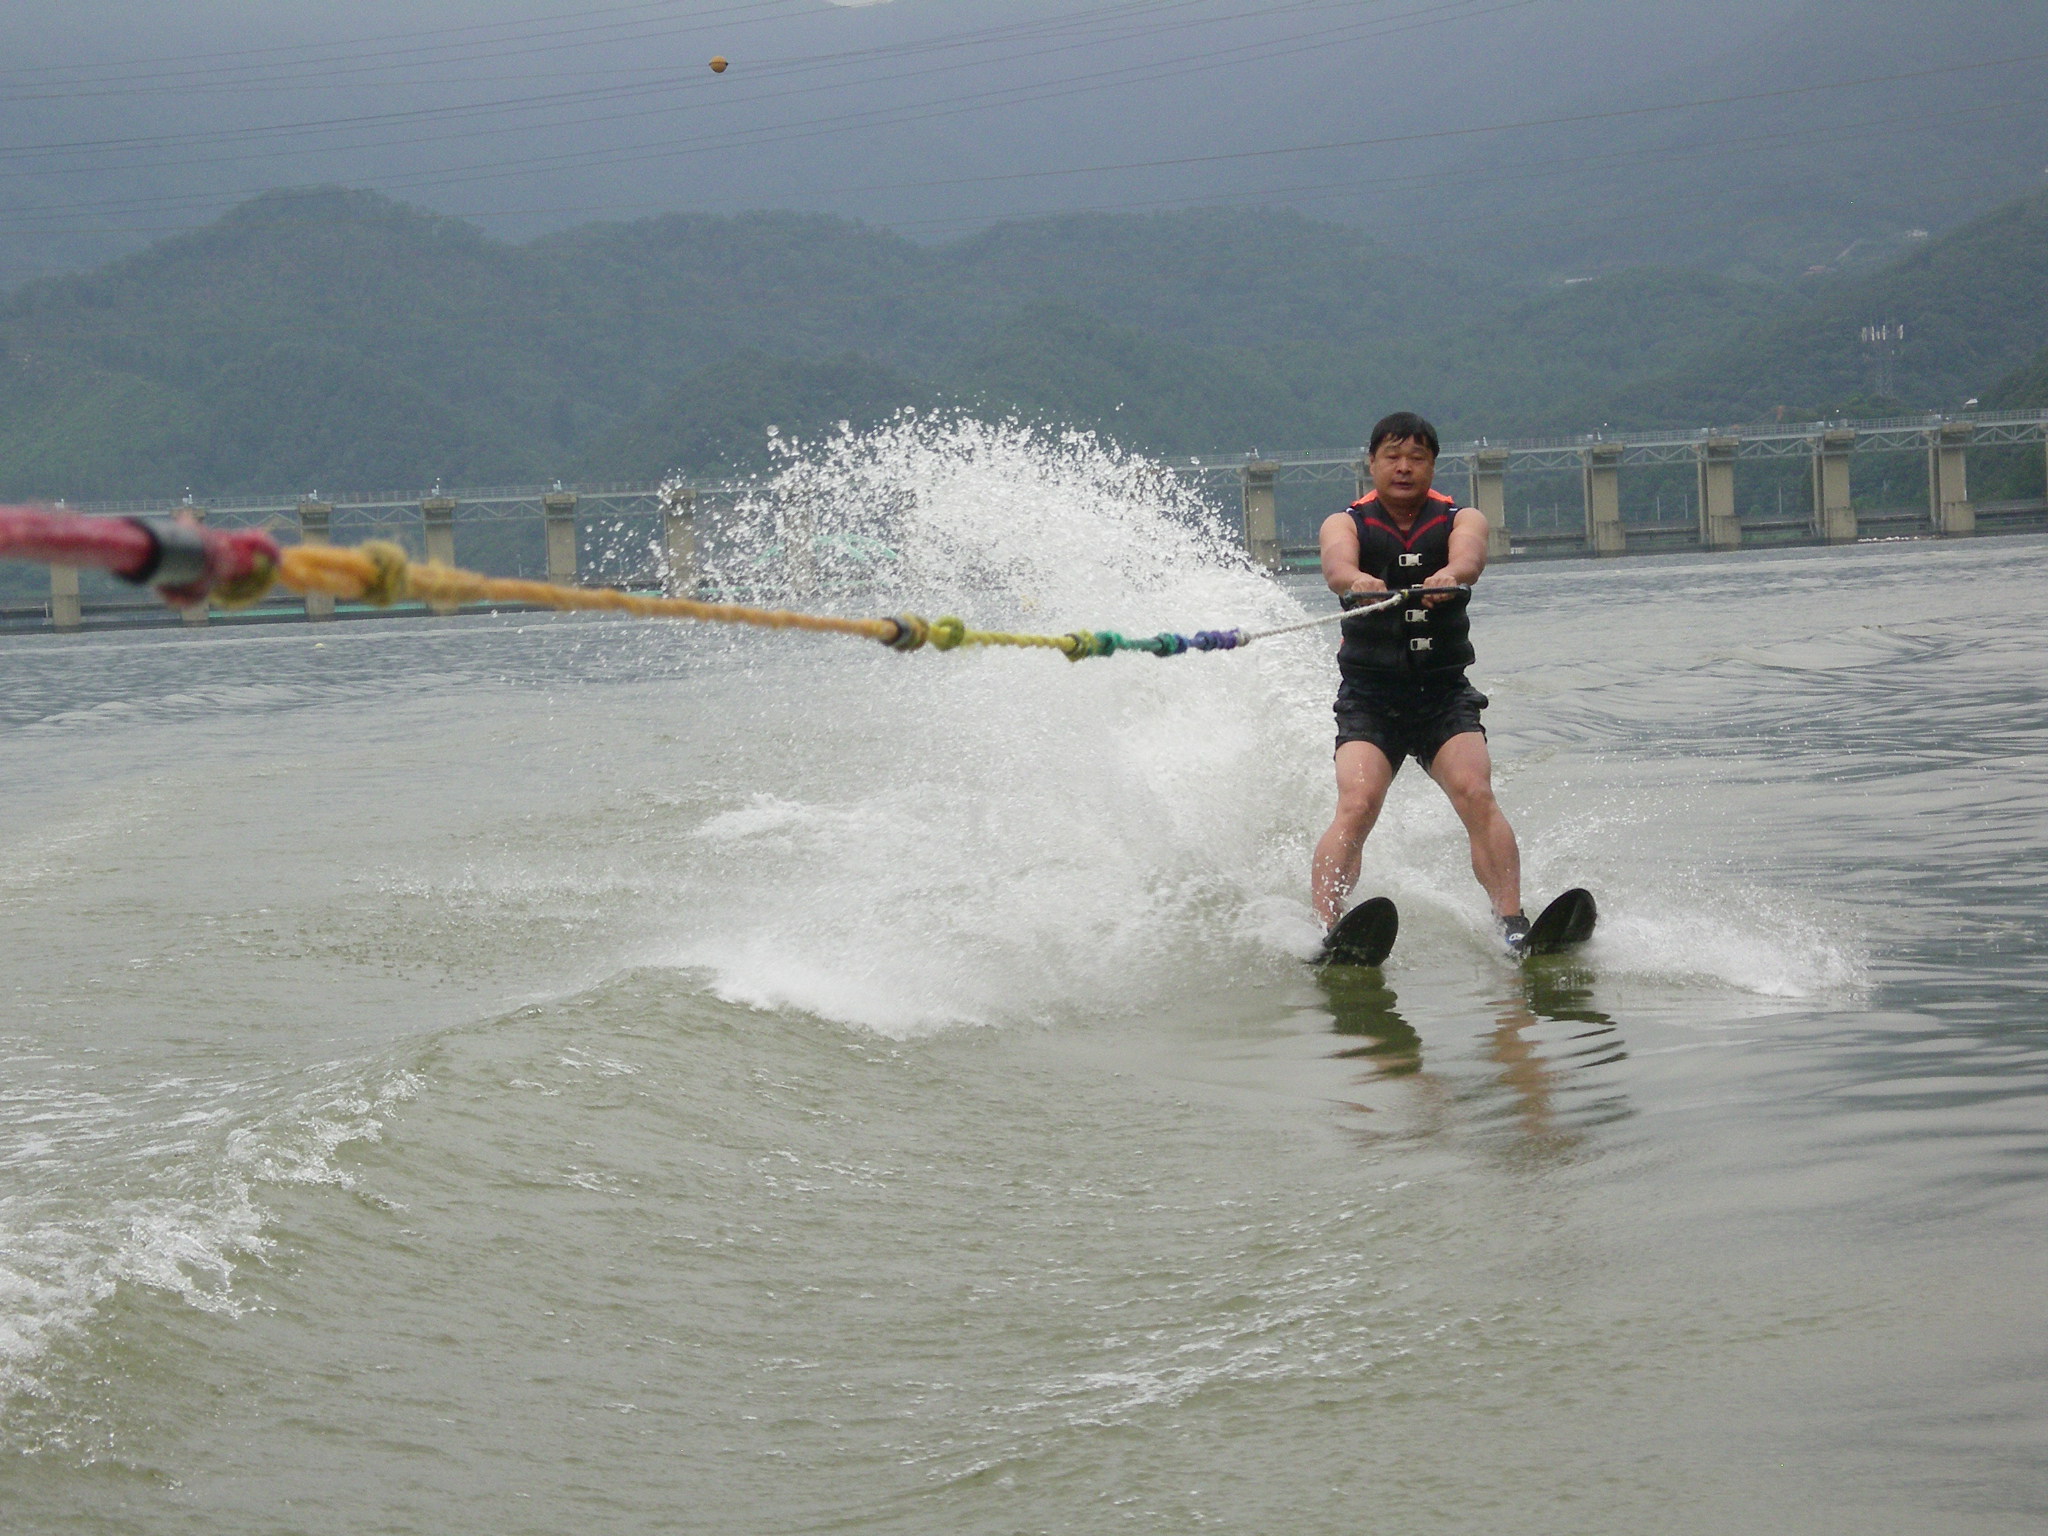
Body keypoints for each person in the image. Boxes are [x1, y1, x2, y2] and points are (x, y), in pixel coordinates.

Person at [1310, 411, 1530, 953]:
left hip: (1442, 695)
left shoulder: (1462, 518)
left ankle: (1512, 922)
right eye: (1392, 456)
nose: (1404, 468)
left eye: (1417, 458)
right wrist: (1357, 580)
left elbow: (1471, 557)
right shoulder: (1346, 523)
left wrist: (1452, 575)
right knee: (1357, 803)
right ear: (1372, 462)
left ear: (1433, 464)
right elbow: (1337, 567)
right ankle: (1324, 926)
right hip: (1370, 699)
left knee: (1476, 792)